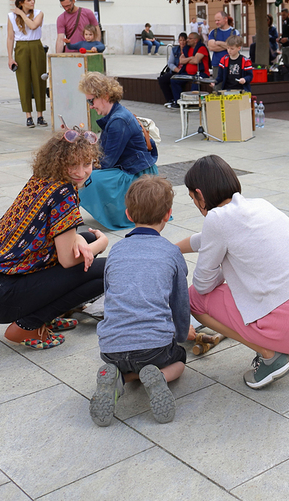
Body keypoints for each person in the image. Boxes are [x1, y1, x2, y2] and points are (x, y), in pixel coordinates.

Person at [176, 155, 289, 389]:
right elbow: (207, 240)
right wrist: (173, 249)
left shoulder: (216, 218)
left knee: (194, 298)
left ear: (200, 194)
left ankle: (270, 355)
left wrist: (221, 265)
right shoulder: (259, 204)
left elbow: (203, 285)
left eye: (192, 198)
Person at [0, 129, 108, 350]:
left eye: (87, 163)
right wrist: (101, 244)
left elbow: (60, 238)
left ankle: (47, 315)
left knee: (82, 239)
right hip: (1, 295)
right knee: (110, 269)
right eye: (73, 164)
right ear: (60, 161)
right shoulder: (63, 193)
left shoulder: (44, 178)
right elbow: (66, 261)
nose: (81, 172)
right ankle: (29, 324)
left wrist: (82, 242)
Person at [90, 176, 189, 427]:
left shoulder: (117, 251)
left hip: (111, 349)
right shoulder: (171, 252)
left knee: (127, 361)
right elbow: (180, 303)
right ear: (168, 214)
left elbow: (109, 297)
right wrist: (181, 334)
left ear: (128, 214)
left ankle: (118, 379)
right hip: (154, 347)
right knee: (179, 360)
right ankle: (159, 376)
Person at [77, 72, 159, 230]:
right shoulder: (116, 115)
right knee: (83, 173)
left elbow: (107, 163)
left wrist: (84, 166)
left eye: (91, 100)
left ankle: (70, 215)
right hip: (132, 169)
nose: (91, 106)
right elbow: (104, 154)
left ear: (105, 96)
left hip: (137, 175)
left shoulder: (118, 120)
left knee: (86, 176)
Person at [7, 0, 48, 128]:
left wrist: (22, 14)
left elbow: (33, 26)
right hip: (21, 47)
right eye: (29, 0)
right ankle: (28, 115)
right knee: (23, 80)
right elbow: (10, 37)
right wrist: (10, 57)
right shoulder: (11, 16)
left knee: (39, 79)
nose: (32, 2)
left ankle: (40, 115)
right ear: (21, 2)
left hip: (36, 45)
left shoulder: (38, 13)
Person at [158, 33, 188, 107]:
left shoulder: (188, 50)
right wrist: (177, 70)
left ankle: (177, 101)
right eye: (180, 40)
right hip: (176, 71)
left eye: (184, 40)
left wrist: (181, 71)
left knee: (175, 81)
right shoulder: (175, 49)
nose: (182, 42)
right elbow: (170, 63)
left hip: (185, 72)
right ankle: (170, 99)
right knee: (162, 80)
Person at [206, 12, 233, 82]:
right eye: (215, 20)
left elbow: (235, 47)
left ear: (225, 19)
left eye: (218, 20)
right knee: (217, 87)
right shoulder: (213, 32)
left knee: (231, 86)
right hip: (217, 64)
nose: (216, 22)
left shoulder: (234, 32)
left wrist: (218, 42)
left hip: (231, 64)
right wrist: (227, 45)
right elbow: (211, 47)